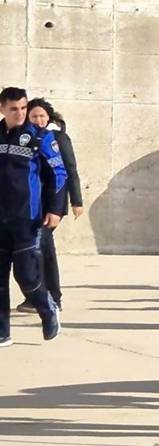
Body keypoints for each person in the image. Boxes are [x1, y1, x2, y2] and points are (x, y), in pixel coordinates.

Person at [0, 87, 66, 347]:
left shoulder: (40, 136)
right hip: (0, 219)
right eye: (14, 109)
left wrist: (55, 209)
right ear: (3, 108)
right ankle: (3, 332)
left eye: (24, 108)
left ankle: (47, 309)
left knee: (27, 276)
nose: (20, 114)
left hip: (28, 219)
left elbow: (59, 174)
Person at [14, 98, 81, 313]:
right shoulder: (23, 138)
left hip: (51, 203)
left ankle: (53, 297)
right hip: (29, 204)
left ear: (49, 117)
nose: (39, 120)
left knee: (44, 250)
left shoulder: (59, 138)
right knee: (28, 252)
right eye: (34, 116)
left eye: (42, 116)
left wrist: (75, 201)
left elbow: (69, 171)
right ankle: (34, 297)